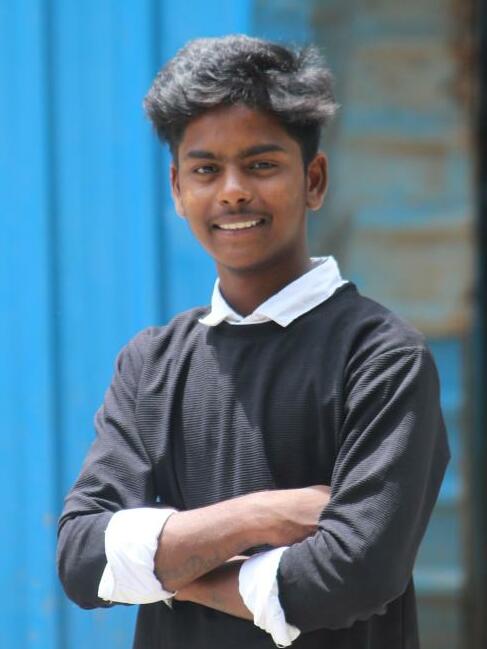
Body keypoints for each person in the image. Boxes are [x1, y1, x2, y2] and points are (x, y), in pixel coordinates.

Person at [57, 34, 450, 649]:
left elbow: (351, 575)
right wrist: (258, 517)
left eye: (262, 165)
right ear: (177, 189)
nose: (233, 190)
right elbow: (82, 558)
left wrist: (162, 571)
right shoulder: (151, 363)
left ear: (314, 179)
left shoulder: (382, 358)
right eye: (206, 169)